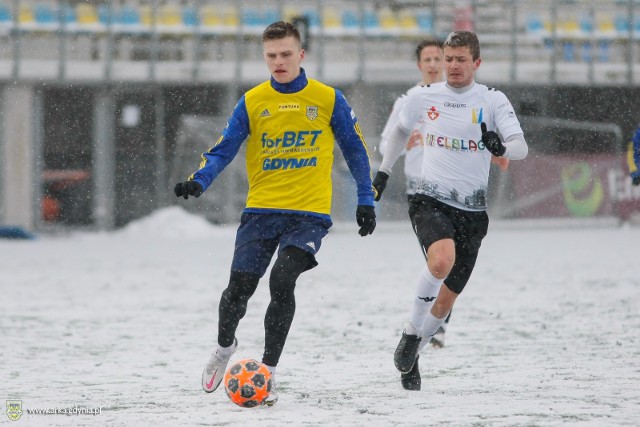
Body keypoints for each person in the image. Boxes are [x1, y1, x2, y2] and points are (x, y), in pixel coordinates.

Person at [174, 21, 377, 406]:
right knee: (239, 290)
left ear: (301, 55)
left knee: (283, 279)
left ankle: (267, 371)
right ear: (264, 57)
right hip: (261, 211)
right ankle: (223, 347)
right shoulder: (253, 101)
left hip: (309, 214)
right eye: (271, 56)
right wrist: (200, 181)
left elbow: (355, 151)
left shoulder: (328, 99)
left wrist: (366, 199)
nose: (279, 62)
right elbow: (224, 148)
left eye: (286, 54)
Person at [372, 31, 528, 391]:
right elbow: (397, 132)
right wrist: (383, 172)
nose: (453, 66)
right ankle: (411, 333)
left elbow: (519, 147)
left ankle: (413, 355)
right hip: (429, 198)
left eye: (461, 60)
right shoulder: (424, 97)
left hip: (473, 211)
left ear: (476, 63)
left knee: (447, 298)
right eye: (448, 59)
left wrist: (499, 144)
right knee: (440, 262)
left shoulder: (492, 100)